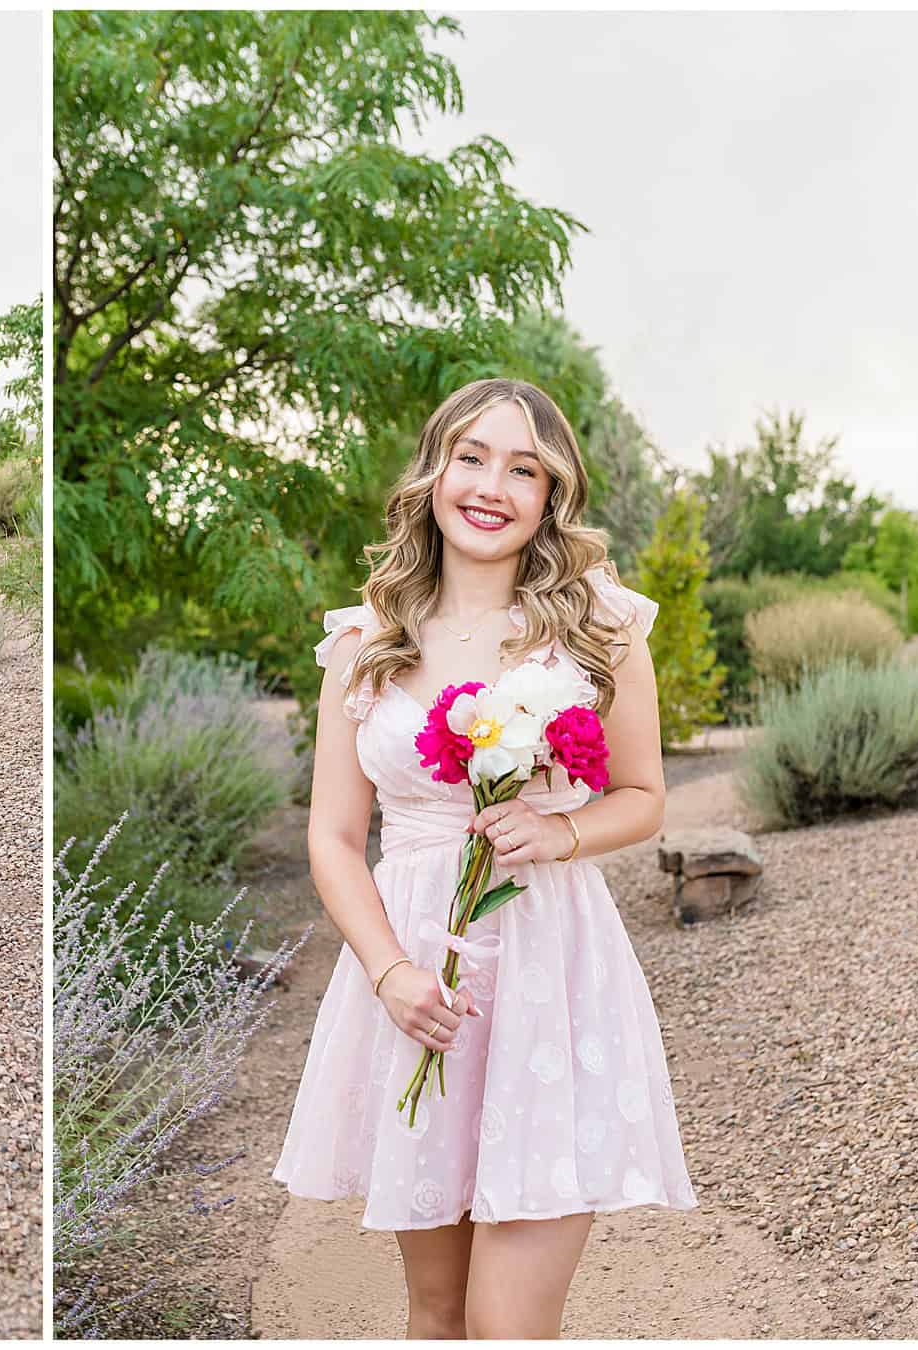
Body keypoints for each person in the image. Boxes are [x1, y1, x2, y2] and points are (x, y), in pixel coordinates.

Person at [271, 378, 698, 1337]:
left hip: (551, 973)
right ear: (434, 472)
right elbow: (334, 839)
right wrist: (389, 975)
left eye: (525, 469)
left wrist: (560, 831)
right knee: (436, 1311)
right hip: (419, 989)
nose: (492, 485)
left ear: (552, 497)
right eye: (472, 457)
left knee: (509, 1327)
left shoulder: (601, 629)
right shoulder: (365, 641)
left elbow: (644, 797)